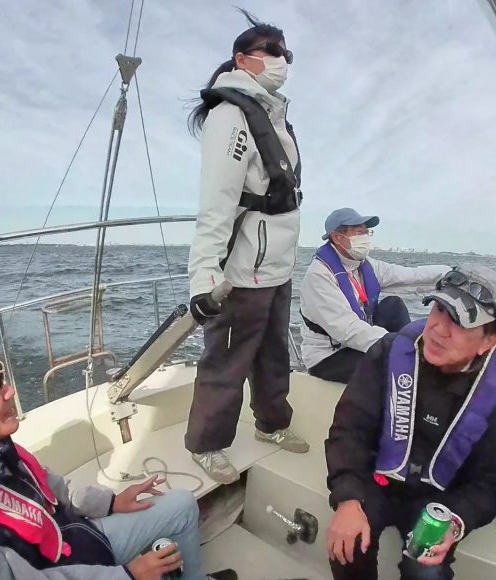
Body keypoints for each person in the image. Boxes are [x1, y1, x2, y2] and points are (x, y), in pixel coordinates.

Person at [0, 326, 216, 580]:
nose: (10, 390)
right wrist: (127, 575)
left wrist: (111, 502)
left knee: (182, 505)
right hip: (68, 566)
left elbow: (51, 486)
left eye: (1, 375)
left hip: (77, 541)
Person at [325, 266, 496, 580]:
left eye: (460, 321)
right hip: (376, 480)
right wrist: (348, 497)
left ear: (489, 342)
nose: (439, 329)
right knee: (347, 545)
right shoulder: (388, 353)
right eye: (439, 309)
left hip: (441, 499)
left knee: (426, 572)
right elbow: (350, 429)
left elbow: (491, 484)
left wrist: (457, 521)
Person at [184, 9, 308, 484]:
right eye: (271, 51)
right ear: (241, 58)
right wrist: (204, 275)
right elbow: (216, 201)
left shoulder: (274, 116)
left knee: (274, 355)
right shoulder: (231, 116)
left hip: (277, 266)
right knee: (227, 360)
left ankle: (272, 423)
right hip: (242, 269)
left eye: (286, 53)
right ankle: (206, 444)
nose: (281, 60)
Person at [300, 208, 450, 383]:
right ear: (337, 237)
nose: (365, 237)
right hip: (328, 356)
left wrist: (449, 273)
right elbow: (348, 330)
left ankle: (414, 360)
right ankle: (410, 362)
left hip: (359, 342)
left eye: (367, 232)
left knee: (393, 305)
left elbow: (409, 277)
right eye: (359, 232)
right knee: (391, 367)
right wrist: (399, 345)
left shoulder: (363, 265)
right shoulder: (319, 276)